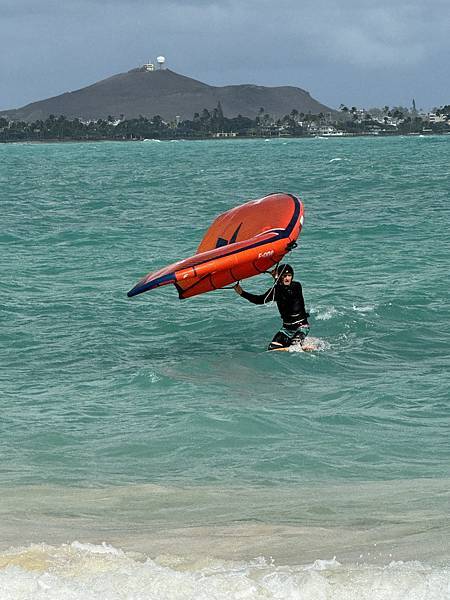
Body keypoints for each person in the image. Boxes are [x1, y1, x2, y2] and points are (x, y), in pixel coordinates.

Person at [233, 263, 310, 351]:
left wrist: (276, 279)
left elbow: (287, 294)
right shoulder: (275, 290)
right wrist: (242, 293)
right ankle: (300, 344)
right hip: (286, 329)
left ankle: (300, 343)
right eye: (284, 276)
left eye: (289, 275)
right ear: (281, 276)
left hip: (301, 326)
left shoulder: (296, 286)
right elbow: (260, 300)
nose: (287, 278)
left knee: (294, 347)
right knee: (272, 348)